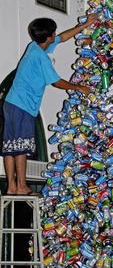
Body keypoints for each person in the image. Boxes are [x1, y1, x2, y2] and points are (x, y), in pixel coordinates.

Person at [1, 13, 97, 195]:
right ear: (49, 36)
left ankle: (12, 187)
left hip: (10, 103)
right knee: (21, 146)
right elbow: (57, 82)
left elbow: (63, 38)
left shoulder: (34, 47)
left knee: (10, 146)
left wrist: (84, 26)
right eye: (54, 33)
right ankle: (21, 186)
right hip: (23, 106)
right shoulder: (41, 58)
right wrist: (79, 88)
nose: (56, 35)